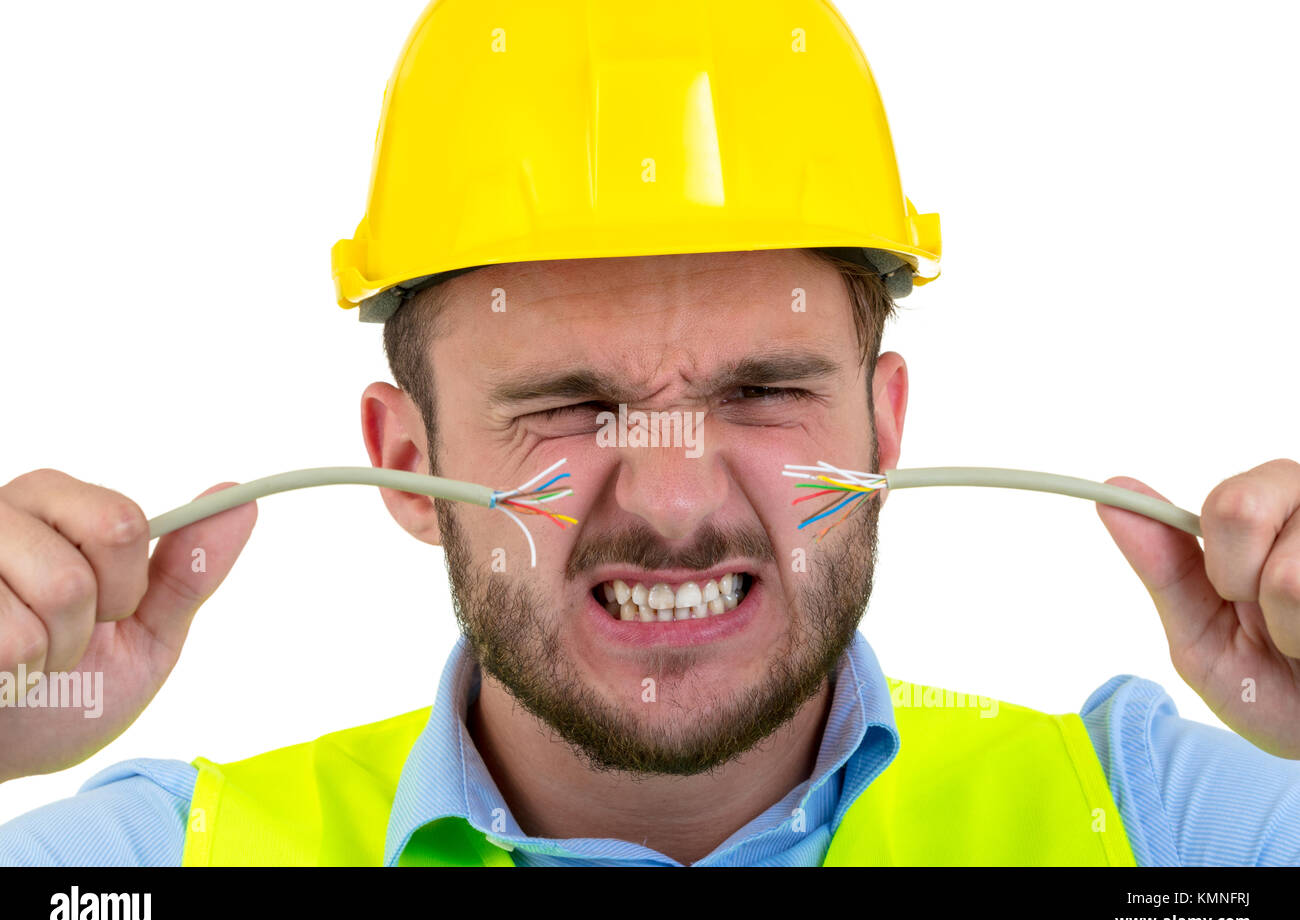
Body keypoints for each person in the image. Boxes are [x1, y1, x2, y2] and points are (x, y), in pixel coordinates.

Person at [2, 0, 1299, 866]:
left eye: (760, 390)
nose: (676, 503)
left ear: (885, 427)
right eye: (567, 404)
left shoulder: (1156, 835)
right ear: (404, 460)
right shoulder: (165, 864)